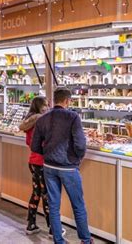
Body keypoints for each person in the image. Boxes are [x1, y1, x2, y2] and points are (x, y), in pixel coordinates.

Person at [31, 88, 92, 244]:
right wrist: (77, 159)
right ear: (67, 101)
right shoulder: (73, 117)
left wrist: (48, 153)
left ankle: (59, 240)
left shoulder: (43, 119)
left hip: (49, 167)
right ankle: (85, 240)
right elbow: (80, 144)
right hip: (68, 167)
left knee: (53, 206)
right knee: (78, 205)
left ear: (54, 100)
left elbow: (35, 146)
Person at [19, 96, 52, 235]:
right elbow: (46, 142)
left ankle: (31, 224)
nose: (48, 107)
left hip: (33, 161)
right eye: (46, 105)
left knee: (37, 192)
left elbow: (29, 142)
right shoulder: (42, 122)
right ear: (40, 106)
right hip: (42, 161)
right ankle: (52, 228)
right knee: (47, 195)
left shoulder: (29, 122)